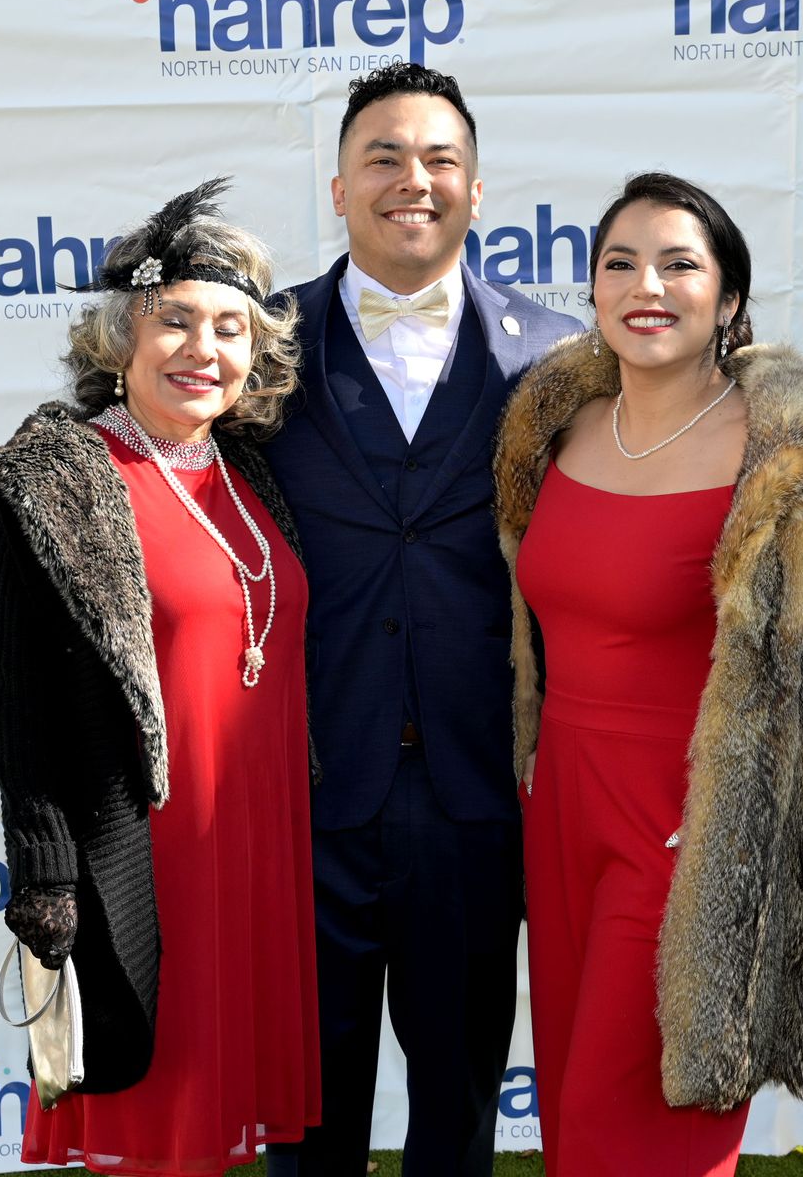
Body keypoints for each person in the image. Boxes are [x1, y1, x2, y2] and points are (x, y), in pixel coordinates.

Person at [492, 172, 803, 1176]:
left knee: (637, 1129)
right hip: (562, 810)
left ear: (728, 298)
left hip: (699, 828)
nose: (647, 285)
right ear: (592, 291)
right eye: (621, 263)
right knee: (575, 1125)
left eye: (679, 264)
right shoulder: (555, 429)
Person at [260, 62, 583, 1177]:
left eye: (440, 159)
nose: (414, 180)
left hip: (475, 799)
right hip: (303, 793)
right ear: (337, 188)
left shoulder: (560, 358)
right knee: (307, 1123)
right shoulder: (251, 348)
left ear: (477, 190)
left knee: (458, 1116)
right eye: (384, 157)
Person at [0, 178, 321, 1176]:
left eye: (229, 329)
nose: (203, 349)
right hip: (148, 854)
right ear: (121, 337)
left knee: (218, 1119)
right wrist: (45, 870)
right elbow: (17, 703)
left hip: (256, 845)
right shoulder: (55, 483)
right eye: (175, 321)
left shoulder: (247, 474)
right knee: (161, 1123)